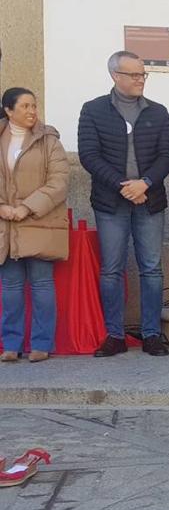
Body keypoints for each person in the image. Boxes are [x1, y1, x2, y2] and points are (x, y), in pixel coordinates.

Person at [77, 50, 169, 357]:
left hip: (149, 200)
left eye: (143, 74)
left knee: (152, 269)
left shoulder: (157, 112)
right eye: (133, 74)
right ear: (115, 76)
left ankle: (151, 334)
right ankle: (114, 335)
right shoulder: (93, 110)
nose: (140, 80)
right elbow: (89, 156)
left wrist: (144, 183)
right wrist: (124, 186)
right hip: (111, 202)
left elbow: (167, 156)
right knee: (111, 269)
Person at [0, 88, 69, 363]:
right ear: (8, 110)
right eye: (25, 106)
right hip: (6, 225)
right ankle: (11, 344)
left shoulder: (48, 139)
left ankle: (41, 343)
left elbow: (59, 181)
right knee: (11, 288)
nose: (32, 111)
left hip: (39, 221)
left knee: (42, 285)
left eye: (34, 106)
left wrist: (26, 207)